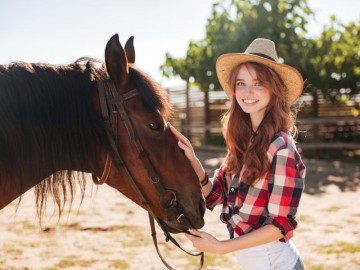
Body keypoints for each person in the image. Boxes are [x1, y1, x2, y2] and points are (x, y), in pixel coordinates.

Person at [169, 38, 306, 270]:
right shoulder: (244, 141)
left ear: (275, 90)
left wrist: (222, 247)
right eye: (241, 83)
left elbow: (280, 225)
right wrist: (191, 158)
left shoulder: (282, 149)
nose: (247, 91)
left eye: (258, 83)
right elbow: (217, 194)